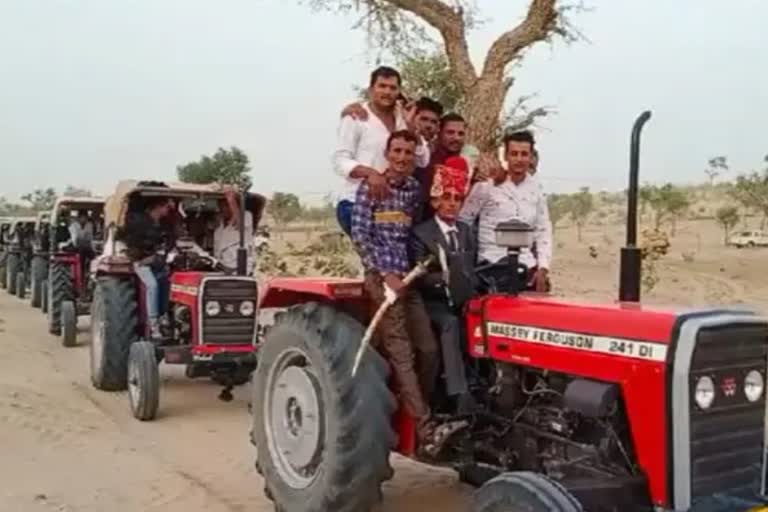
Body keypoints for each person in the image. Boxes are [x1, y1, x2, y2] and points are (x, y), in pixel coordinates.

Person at [351, 129, 436, 442]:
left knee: (428, 348)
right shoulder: (370, 188)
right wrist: (385, 275)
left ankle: (416, 407)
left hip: (409, 278)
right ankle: (423, 427)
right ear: (387, 154)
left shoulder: (413, 190)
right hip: (382, 280)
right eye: (397, 151)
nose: (402, 158)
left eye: (408, 153)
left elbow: (412, 232)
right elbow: (360, 236)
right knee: (402, 353)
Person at [410, 163, 479, 414]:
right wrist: (443, 278)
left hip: (463, 299)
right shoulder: (421, 233)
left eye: (457, 199)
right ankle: (458, 395)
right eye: (446, 198)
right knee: (450, 323)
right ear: (436, 201)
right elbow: (417, 277)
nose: (452, 203)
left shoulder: (466, 231)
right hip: (433, 304)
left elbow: (473, 268)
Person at [332, 66, 430, 236]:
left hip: (392, 205)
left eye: (392, 87)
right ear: (371, 89)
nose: (387, 92)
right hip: (356, 201)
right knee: (377, 257)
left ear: (399, 91)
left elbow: (422, 160)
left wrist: (412, 128)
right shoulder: (356, 117)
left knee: (394, 258)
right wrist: (370, 174)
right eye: (382, 86)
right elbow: (340, 160)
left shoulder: (404, 117)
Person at [459, 130, 552, 292]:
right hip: (490, 266)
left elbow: (543, 230)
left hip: (526, 266)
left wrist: (543, 268)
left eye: (524, 154)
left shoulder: (536, 190)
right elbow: (464, 221)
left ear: (531, 157)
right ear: (506, 156)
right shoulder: (488, 185)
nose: (519, 159)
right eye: (514, 154)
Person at [118, 197, 176, 339]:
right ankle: (153, 323)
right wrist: (145, 257)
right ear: (158, 206)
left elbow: (167, 241)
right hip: (140, 261)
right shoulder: (139, 222)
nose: (168, 211)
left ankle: (165, 316)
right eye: (167, 207)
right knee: (152, 285)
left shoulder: (163, 224)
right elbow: (134, 244)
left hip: (156, 262)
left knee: (169, 281)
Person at [413, 113, 468, 221]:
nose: (456, 137)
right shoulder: (425, 159)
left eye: (461, 134)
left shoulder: (467, 164)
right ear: (439, 132)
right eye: (450, 132)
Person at [213, 188, 254, 274]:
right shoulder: (218, 230)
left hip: (241, 267)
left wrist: (231, 201)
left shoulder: (246, 215)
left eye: (226, 205)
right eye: (221, 206)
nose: (223, 209)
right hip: (224, 268)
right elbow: (217, 252)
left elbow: (239, 223)